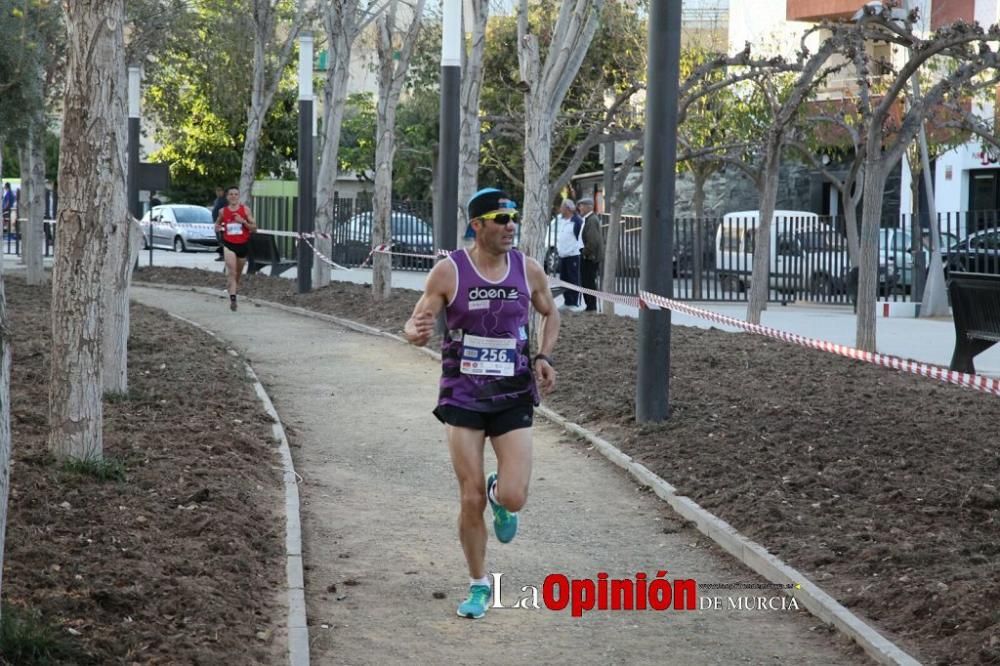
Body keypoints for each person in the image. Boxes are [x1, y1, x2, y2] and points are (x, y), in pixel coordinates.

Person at [404, 187, 560, 620]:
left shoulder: (527, 270)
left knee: (513, 497)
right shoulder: (449, 271)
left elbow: (550, 312)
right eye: (501, 218)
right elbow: (417, 321)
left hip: (511, 393)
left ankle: (499, 493)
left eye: (514, 217)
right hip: (463, 394)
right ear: (478, 225)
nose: (511, 226)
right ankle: (478, 585)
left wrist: (544, 356)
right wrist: (413, 332)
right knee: (468, 498)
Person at [214, 186, 257, 311]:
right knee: (232, 271)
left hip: (243, 245)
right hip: (228, 244)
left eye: (235, 194)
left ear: (239, 196)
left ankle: (232, 288)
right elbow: (217, 223)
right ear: (227, 197)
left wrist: (242, 221)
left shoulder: (246, 210)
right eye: (231, 194)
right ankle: (233, 300)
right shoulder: (223, 211)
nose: (233, 196)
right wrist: (218, 227)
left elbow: (254, 228)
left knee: (237, 274)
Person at [555, 198, 584, 310]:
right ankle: (567, 301)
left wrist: (575, 250)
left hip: (573, 256)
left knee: (573, 279)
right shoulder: (562, 220)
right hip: (563, 256)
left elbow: (580, 239)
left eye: (562, 207)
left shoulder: (577, 221)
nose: (560, 209)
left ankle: (574, 302)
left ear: (568, 209)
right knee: (564, 280)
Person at [577, 197, 604, 312]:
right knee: (586, 281)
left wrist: (585, 252)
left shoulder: (592, 220)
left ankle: (591, 306)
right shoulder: (588, 219)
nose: (580, 208)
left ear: (589, 207)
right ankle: (589, 305)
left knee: (589, 282)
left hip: (589, 257)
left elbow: (593, 240)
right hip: (587, 256)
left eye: (582, 205)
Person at [211, 187, 227, 262]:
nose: (218, 192)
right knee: (219, 239)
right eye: (217, 191)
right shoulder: (216, 200)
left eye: (220, 190)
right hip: (217, 222)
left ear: (223, 191)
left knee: (222, 238)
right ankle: (221, 255)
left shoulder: (225, 201)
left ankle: (225, 255)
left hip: (222, 223)